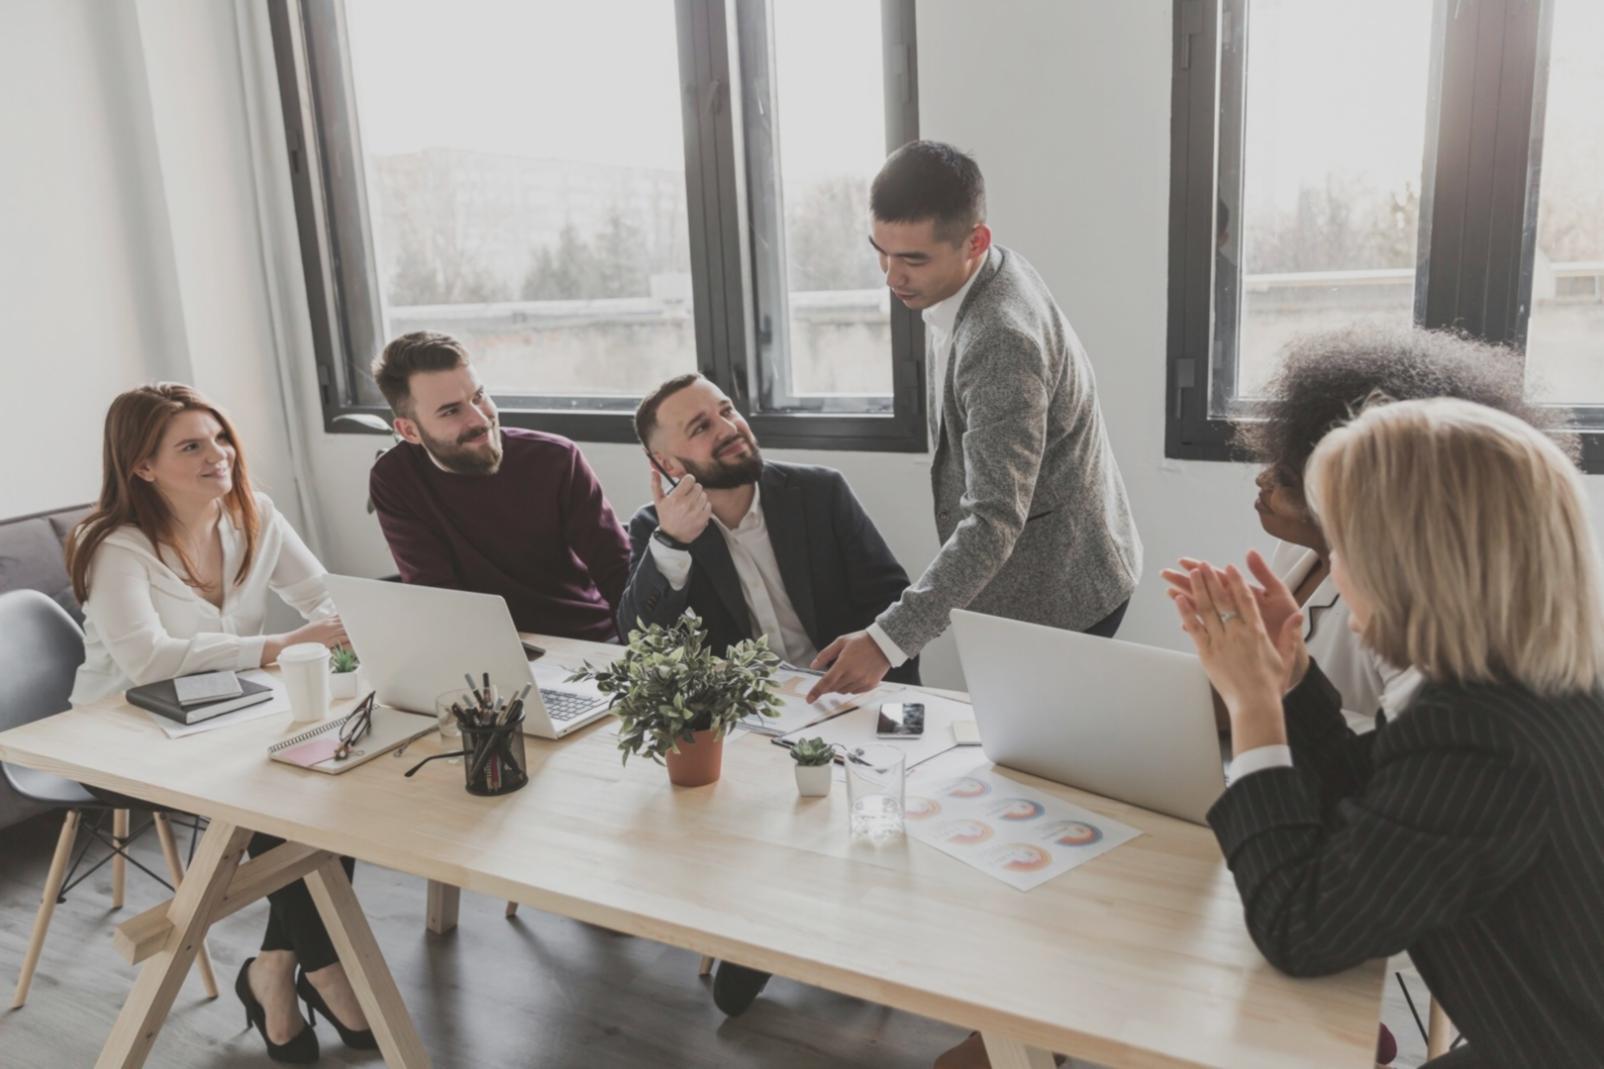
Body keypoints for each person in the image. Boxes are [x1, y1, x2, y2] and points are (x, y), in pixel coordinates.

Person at [1169, 397, 1604, 1068]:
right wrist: (1290, 678)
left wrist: (1251, 705)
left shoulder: (1482, 740)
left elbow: (1298, 928)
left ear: (1416, 566)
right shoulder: (1529, 685)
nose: (1334, 572)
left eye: (1345, 547)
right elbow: (1385, 805)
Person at [67, 383, 371, 1063]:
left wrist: (353, 621)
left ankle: (273, 970)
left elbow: (320, 594)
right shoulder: (116, 544)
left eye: (221, 437)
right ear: (142, 466)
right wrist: (278, 645)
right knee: (280, 796)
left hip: (229, 715)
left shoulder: (254, 514)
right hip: (119, 734)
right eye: (192, 445)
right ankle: (325, 971)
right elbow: (147, 661)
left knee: (329, 773)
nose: (219, 454)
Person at [620, 371, 917, 1016]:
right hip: (755, 727)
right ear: (668, 463)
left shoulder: (818, 492)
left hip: (858, 699)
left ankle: (841, 932)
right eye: (701, 427)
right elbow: (643, 644)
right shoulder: (655, 529)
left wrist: (877, 659)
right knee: (752, 810)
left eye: (726, 410)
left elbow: (893, 599)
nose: (728, 428)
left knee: (881, 802)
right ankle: (761, 936)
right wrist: (673, 543)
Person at [809, 140, 1141, 703]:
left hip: (1061, 593)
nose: (892, 276)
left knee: (1034, 765)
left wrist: (890, 640)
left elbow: (992, 518)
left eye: (913, 259)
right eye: (881, 252)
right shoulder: (979, 271)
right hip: (1061, 562)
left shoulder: (999, 339)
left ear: (975, 241)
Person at [1164, 325, 1575, 732]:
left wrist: (1258, 705)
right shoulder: (1298, 554)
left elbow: (1397, 750)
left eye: (1288, 479)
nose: (1262, 481)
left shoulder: (1422, 615)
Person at [368, 331, 632, 640]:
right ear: (409, 431)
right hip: (488, 650)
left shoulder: (556, 459)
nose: (480, 419)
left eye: (478, 396)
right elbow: (440, 599)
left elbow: (619, 574)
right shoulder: (395, 479)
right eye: (452, 411)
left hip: (585, 641)